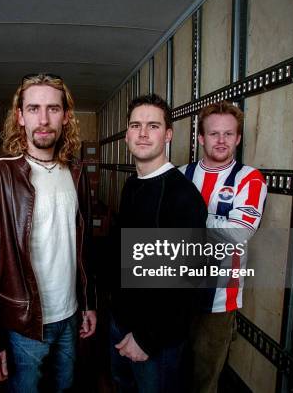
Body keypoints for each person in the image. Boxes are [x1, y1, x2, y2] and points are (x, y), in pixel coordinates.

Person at [0, 73, 97, 392]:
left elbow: (84, 249)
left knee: (65, 387)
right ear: (20, 116)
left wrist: (88, 303)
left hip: (69, 318)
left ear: (66, 117)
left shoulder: (77, 173)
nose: (43, 119)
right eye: (34, 108)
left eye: (53, 109)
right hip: (23, 324)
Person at [110, 93, 207, 392]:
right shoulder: (132, 185)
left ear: (167, 135)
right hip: (122, 324)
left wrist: (146, 338)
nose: (142, 133)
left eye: (152, 126)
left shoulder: (182, 196)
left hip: (155, 340)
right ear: (126, 134)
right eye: (135, 125)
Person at [179, 100, 267, 393]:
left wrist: (193, 219)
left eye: (228, 134)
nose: (221, 140)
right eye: (214, 133)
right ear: (201, 138)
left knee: (205, 377)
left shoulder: (249, 178)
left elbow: (239, 234)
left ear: (238, 138)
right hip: (175, 289)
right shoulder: (181, 175)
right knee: (171, 369)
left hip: (219, 297)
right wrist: (217, 220)